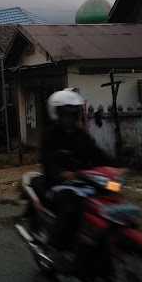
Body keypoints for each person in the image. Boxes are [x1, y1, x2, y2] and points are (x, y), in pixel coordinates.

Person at [40, 88, 111, 268]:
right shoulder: (50, 135)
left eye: (74, 114)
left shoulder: (81, 135)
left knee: (105, 202)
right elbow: (46, 161)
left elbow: (96, 154)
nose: (71, 118)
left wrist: (116, 167)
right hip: (57, 184)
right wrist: (61, 174)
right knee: (71, 206)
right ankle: (58, 247)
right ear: (57, 114)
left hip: (82, 181)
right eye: (66, 114)